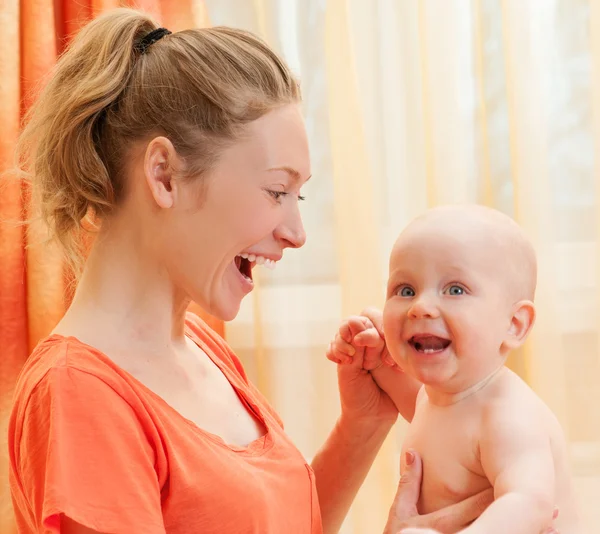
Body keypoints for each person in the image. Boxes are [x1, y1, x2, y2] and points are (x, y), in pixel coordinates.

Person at [6, 8, 494, 534]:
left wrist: (362, 425)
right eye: (276, 191)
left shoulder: (197, 345)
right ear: (164, 175)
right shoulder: (81, 396)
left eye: (298, 195)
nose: (296, 231)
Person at [328, 205, 579, 534]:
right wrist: (368, 356)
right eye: (405, 290)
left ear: (514, 325)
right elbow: (413, 402)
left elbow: (530, 502)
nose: (421, 307)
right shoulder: (437, 397)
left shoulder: (507, 414)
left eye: (455, 290)